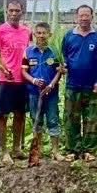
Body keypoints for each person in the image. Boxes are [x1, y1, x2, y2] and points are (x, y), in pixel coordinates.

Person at [60, 5, 97, 161]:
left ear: (92, 17)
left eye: (87, 15)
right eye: (81, 15)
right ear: (76, 17)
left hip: (92, 86)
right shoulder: (68, 36)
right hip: (72, 85)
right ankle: (72, 149)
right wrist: (64, 67)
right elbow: (64, 57)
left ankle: (89, 150)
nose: (84, 18)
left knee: (91, 119)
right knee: (71, 119)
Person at [0, 1, 33, 163]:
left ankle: (16, 148)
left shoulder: (27, 31)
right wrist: (3, 68)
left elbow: (29, 54)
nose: (14, 13)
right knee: (2, 115)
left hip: (22, 79)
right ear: (7, 12)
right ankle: (4, 151)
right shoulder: (0, 31)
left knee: (20, 114)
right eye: (11, 10)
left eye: (17, 10)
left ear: (22, 12)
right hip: (5, 79)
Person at [24, 22, 64, 160]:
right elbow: (24, 71)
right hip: (34, 93)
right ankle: (37, 151)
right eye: (38, 33)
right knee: (36, 120)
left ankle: (55, 151)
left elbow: (59, 71)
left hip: (51, 94)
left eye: (44, 33)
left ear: (49, 35)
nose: (41, 36)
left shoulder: (55, 52)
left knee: (53, 120)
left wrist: (52, 85)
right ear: (34, 34)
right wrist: (34, 81)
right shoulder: (28, 51)